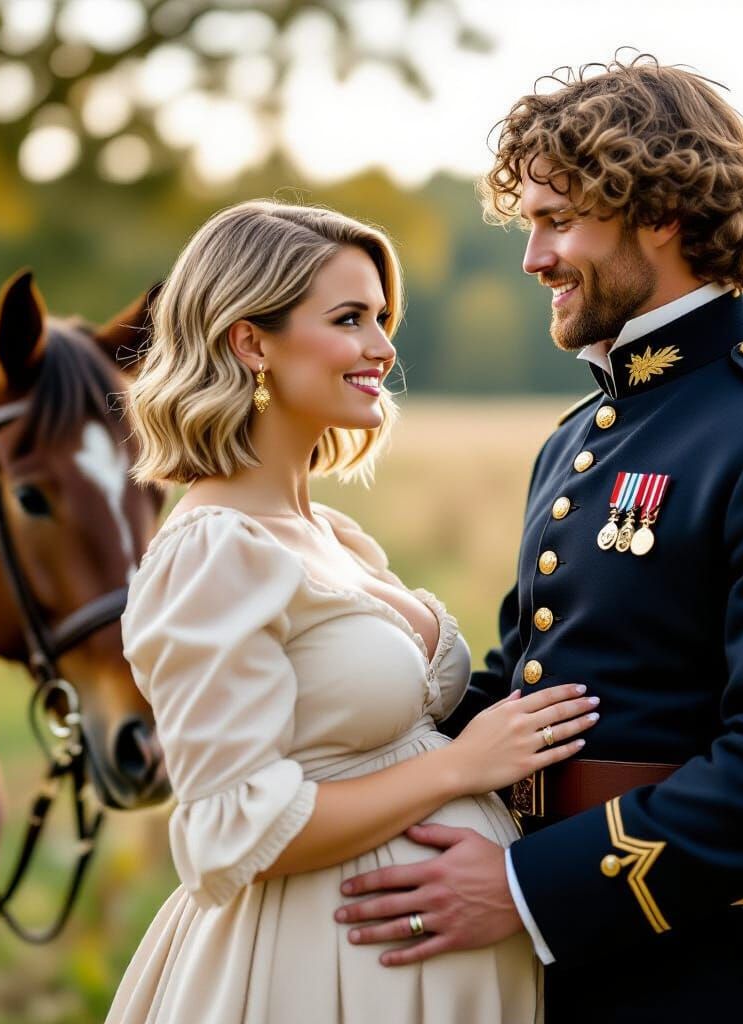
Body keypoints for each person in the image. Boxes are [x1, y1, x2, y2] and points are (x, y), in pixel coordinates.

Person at [336, 55, 743, 1023]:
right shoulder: (578, 436)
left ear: (662, 213)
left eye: (557, 221)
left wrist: (525, 890)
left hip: (708, 979)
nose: (533, 258)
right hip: (555, 977)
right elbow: (522, 689)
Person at [104, 200, 601, 1023]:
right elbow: (231, 830)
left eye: (381, 317)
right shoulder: (213, 554)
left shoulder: (328, 534)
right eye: (349, 319)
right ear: (250, 340)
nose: (382, 346)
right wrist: (459, 768)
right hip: (317, 969)